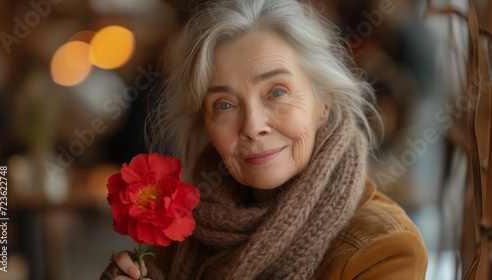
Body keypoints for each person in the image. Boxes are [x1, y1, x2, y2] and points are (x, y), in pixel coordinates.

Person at [101, 0, 428, 279]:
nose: (253, 125)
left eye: (277, 92)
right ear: (205, 124)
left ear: (323, 102)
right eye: (225, 105)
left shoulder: (384, 249)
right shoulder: (180, 236)